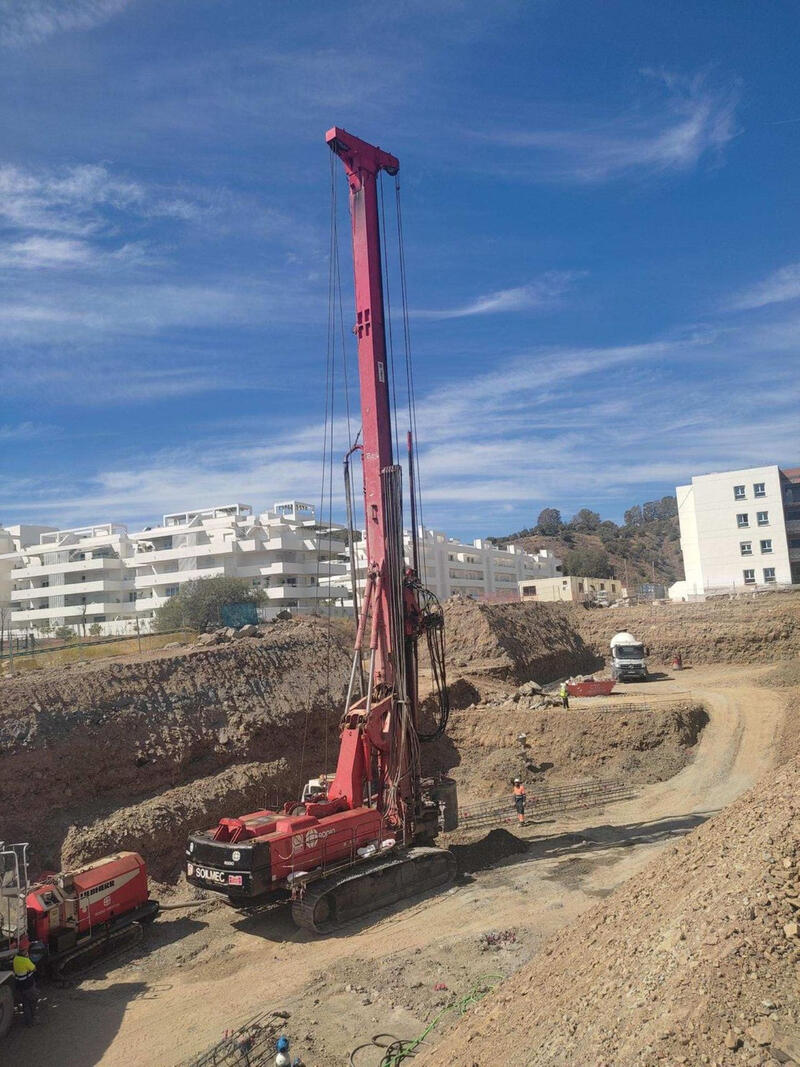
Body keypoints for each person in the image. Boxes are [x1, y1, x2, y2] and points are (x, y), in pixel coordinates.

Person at [12, 947, 37, 1027]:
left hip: (20, 985)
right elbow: (34, 969)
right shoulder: (25, 960)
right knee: (33, 1001)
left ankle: (28, 1022)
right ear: (24, 952)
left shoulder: (15, 959)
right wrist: (28, 958)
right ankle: (33, 1019)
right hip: (28, 985)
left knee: (25, 1004)